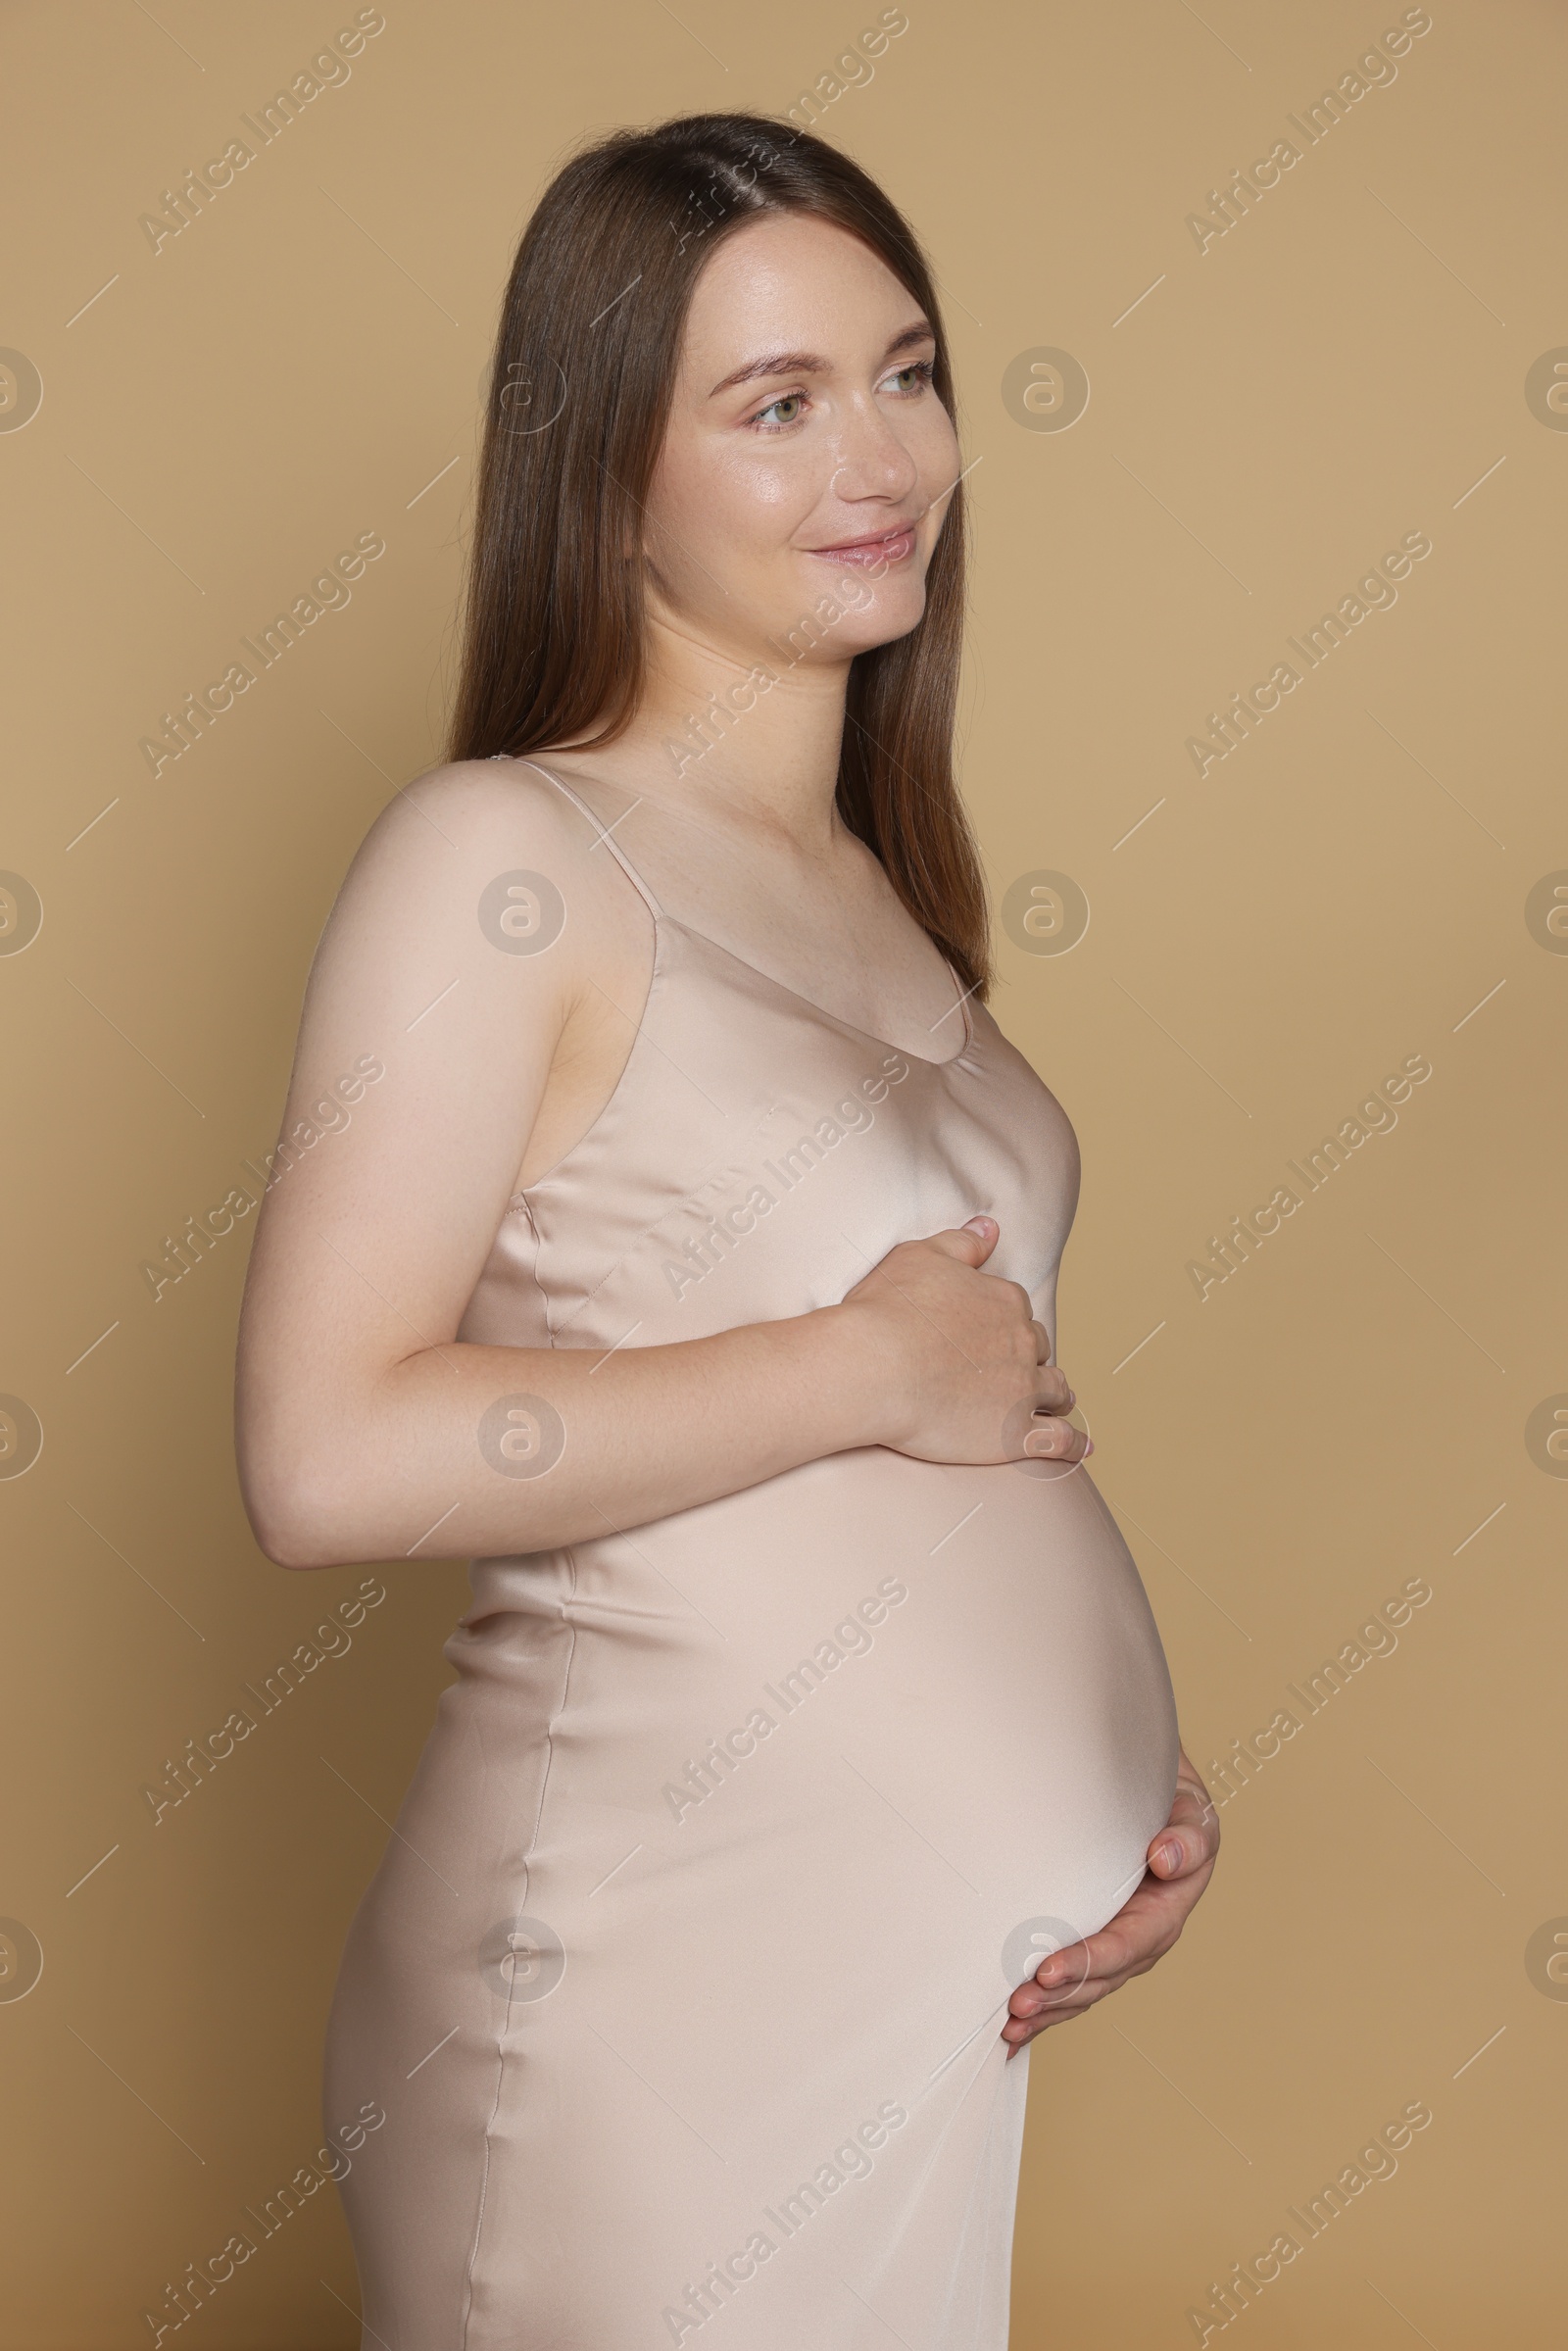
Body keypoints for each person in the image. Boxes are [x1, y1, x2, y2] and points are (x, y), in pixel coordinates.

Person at [235, 110, 1218, 2351]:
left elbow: (971, 1434)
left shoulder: (887, 891)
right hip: (642, 1993)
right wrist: (855, 1371)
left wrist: (1119, 1780)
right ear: (607, 473)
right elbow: (324, 1455)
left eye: (904, 369)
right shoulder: (503, 857)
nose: (876, 455)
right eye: (772, 406)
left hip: (909, 2012)